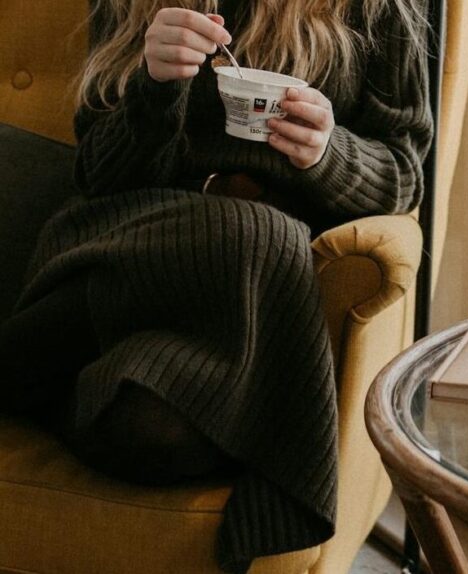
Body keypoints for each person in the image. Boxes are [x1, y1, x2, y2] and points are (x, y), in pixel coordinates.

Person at [0, 0, 432, 571]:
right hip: (124, 244)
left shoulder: (379, 9)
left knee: (158, 435)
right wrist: (153, 89)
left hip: (243, 304)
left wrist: (329, 153)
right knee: (259, 234)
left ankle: (31, 371)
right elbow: (97, 176)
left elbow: (403, 173)